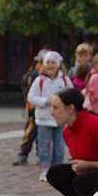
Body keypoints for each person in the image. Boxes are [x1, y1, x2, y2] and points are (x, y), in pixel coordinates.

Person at [27, 51, 72, 181]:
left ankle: (56, 169)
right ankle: (44, 169)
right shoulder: (39, 80)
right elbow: (31, 98)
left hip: (60, 120)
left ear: (58, 64)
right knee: (44, 146)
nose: (51, 65)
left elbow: (71, 93)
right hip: (44, 119)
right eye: (48, 62)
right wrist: (45, 101)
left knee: (59, 148)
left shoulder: (64, 79)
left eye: (53, 62)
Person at [13, 49, 47, 167]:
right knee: (30, 132)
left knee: (43, 135)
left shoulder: (50, 77)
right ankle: (23, 153)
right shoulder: (33, 75)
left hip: (46, 112)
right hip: (34, 109)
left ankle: (41, 154)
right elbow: (28, 92)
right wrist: (30, 108)